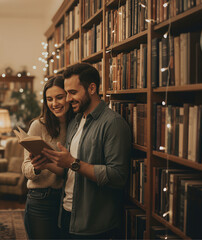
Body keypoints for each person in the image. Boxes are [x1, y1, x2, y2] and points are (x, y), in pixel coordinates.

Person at [41, 63, 132, 239]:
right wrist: (46, 160)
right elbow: (69, 171)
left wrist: (73, 163)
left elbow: (118, 176)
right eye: (66, 93)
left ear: (92, 88)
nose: (67, 99)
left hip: (94, 224)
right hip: (66, 215)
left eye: (73, 93)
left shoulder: (113, 123)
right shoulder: (75, 121)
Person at [21, 75, 74, 239]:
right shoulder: (39, 125)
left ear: (68, 96)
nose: (54, 104)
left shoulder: (78, 123)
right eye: (49, 99)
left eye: (59, 97)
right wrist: (37, 168)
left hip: (69, 199)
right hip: (41, 198)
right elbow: (25, 168)